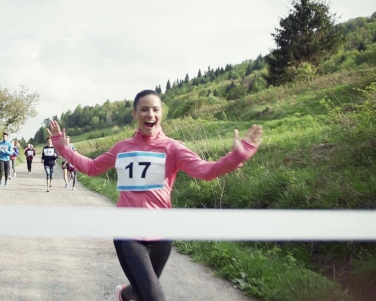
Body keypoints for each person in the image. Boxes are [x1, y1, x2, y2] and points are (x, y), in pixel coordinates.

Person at [48, 89, 263, 301]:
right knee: (154, 296)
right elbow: (93, 167)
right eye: (144, 109)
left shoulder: (173, 148)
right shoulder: (122, 148)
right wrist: (64, 149)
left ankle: (124, 294)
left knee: (142, 292)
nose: (150, 114)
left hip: (161, 233)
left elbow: (205, 171)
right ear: (134, 114)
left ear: (161, 114)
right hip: (128, 232)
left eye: (155, 109)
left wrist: (237, 157)